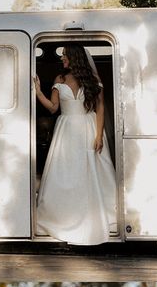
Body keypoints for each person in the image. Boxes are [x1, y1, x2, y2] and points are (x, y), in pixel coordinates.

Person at [33, 45, 118, 246]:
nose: (62, 59)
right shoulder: (59, 79)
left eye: (64, 56)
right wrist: (38, 92)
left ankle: (95, 219)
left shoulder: (92, 81)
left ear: (74, 58)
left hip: (88, 127)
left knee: (89, 171)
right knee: (66, 172)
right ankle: (63, 218)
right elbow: (53, 108)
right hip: (66, 130)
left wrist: (98, 135)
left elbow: (100, 109)